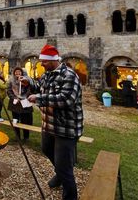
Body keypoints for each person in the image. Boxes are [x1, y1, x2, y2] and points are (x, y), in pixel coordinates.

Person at [28, 44, 83, 200]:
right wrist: (29, 83)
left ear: (53, 60)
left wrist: (39, 98)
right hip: (49, 125)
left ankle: (69, 195)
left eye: (44, 61)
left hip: (66, 128)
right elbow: (40, 86)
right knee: (46, 149)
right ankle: (60, 173)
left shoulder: (69, 76)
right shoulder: (47, 74)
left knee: (65, 166)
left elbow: (66, 99)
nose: (41, 64)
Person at [7, 66, 34, 141]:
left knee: (25, 120)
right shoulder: (11, 81)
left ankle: (26, 137)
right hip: (15, 104)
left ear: (22, 73)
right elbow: (9, 91)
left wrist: (24, 97)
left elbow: (30, 90)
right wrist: (14, 98)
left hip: (25, 103)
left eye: (19, 72)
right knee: (15, 120)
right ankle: (17, 136)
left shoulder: (27, 80)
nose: (17, 73)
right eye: (16, 72)